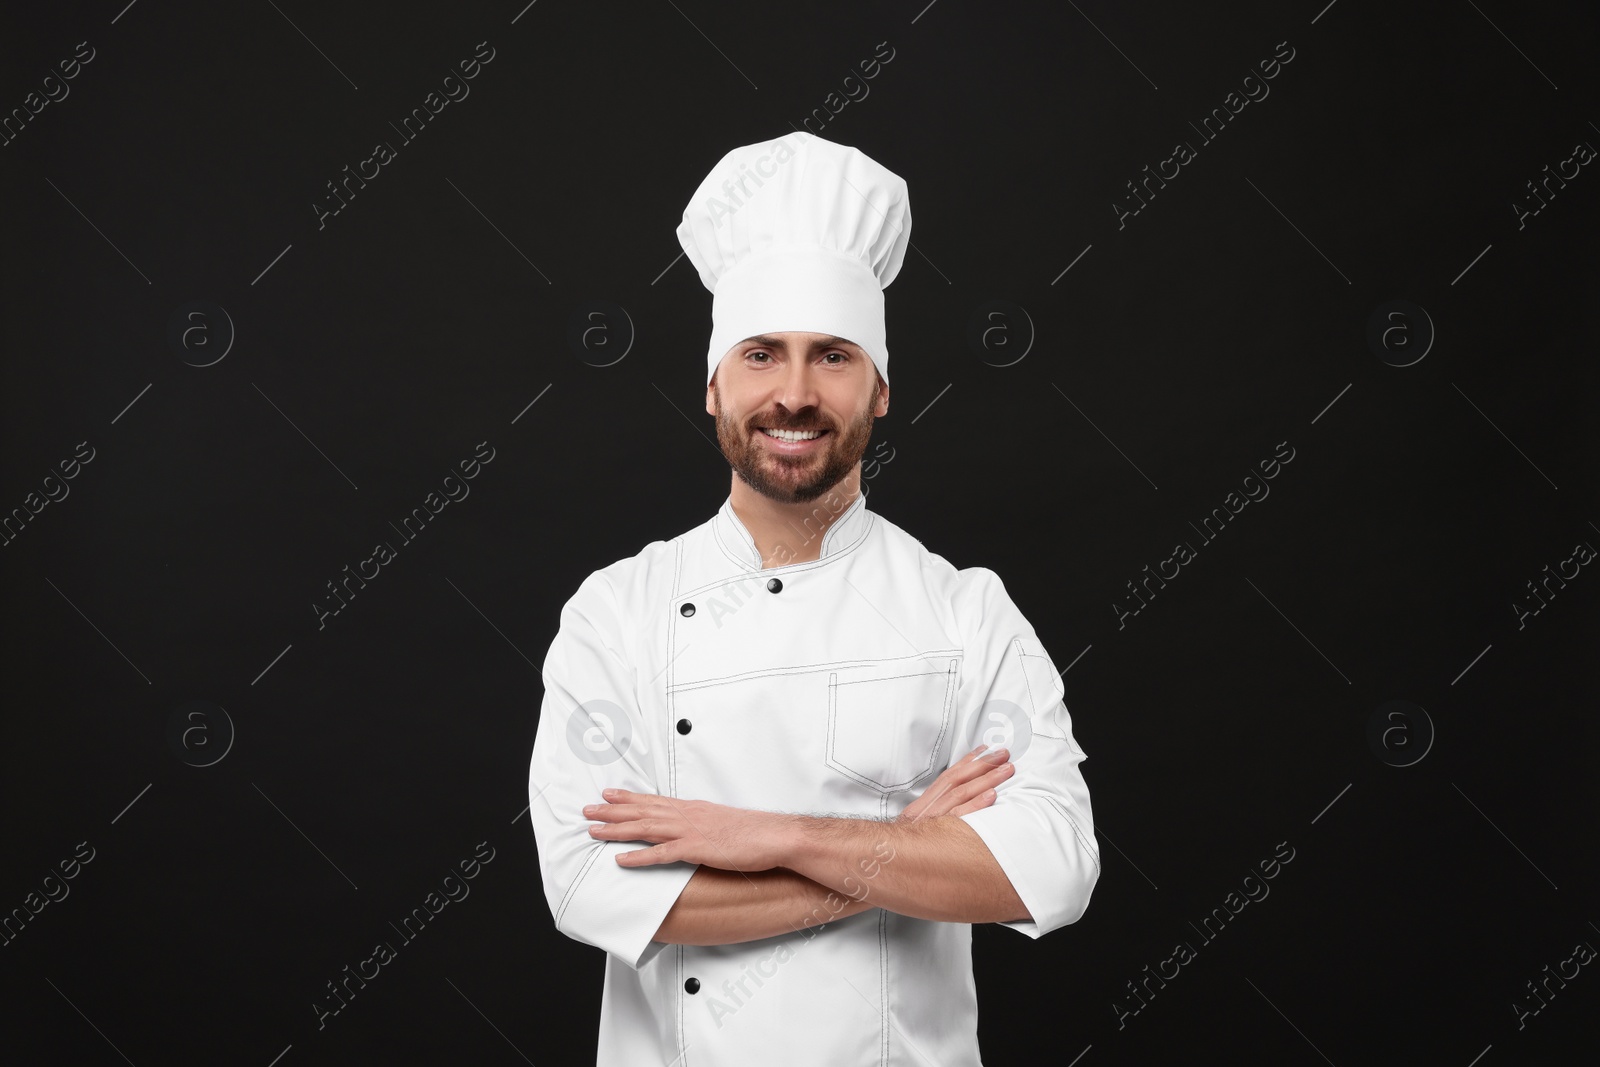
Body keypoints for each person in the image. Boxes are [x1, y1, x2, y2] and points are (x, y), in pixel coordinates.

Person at [527, 131, 1100, 1066]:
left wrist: (767, 835)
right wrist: (900, 849)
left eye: (832, 356)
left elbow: (1055, 868)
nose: (793, 394)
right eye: (762, 354)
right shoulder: (616, 613)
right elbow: (589, 884)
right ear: (713, 386)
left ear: (880, 388)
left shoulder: (964, 613)